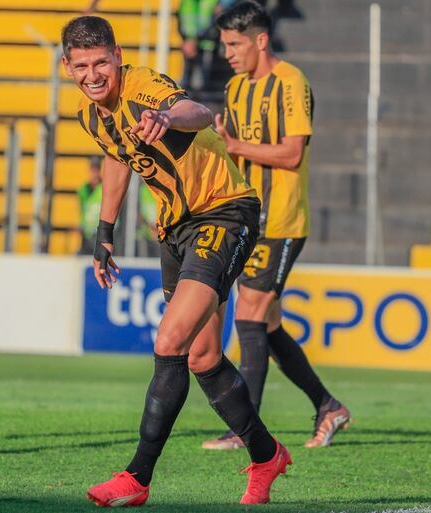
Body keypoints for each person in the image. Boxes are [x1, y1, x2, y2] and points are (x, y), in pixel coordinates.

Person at [61, 15, 291, 506]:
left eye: (101, 62)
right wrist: (105, 233)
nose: (93, 74)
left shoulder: (143, 85)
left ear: (117, 56)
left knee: (169, 339)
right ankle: (267, 455)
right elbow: (117, 157)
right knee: (202, 356)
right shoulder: (91, 114)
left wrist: (168, 118)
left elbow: (197, 112)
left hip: (225, 213)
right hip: (176, 227)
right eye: (81, 66)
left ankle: (137, 477)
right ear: (68, 67)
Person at [202, 1, 349, 451]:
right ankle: (328, 406)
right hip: (248, 217)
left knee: (248, 316)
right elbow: (233, 151)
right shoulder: (234, 87)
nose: (227, 52)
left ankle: (245, 430)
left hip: (281, 220)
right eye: (224, 44)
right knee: (265, 327)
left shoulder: (290, 83)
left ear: (260, 40)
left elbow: (290, 154)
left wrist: (237, 145)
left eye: (234, 43)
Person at [77, 155, 103, 255]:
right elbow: (82, 210)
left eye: (97, 169)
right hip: (87, 233)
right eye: (93, 169)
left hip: (99, 234)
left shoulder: (104, 188)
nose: (94, 173)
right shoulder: (83, 189)